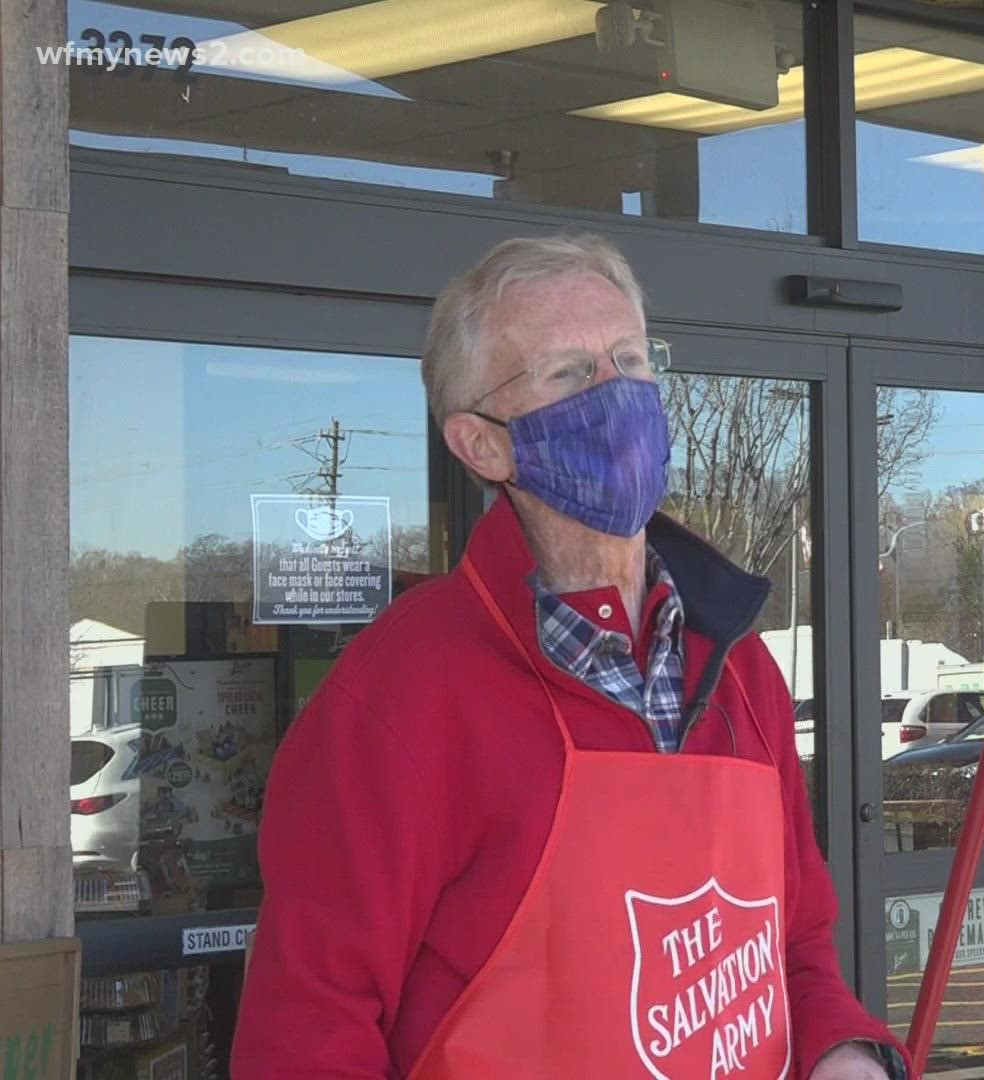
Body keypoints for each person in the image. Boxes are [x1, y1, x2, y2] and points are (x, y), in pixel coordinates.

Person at [234, 232, 906, 1079]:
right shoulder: (401, 693)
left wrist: (843, 1053)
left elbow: (798, 943)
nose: (615, 394)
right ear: (483, 444)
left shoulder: (739, 665)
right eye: (569, 373)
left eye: (630, 358)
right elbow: (309, 1026)